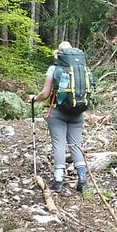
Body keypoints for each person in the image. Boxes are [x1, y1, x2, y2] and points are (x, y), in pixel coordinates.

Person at [32, 41, 89, 193]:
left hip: (57, 112)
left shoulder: (54, 68)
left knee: (59, 144)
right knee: (75, 145)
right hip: (77, 112)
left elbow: (45, 94)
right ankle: (82, 178)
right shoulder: (82, 69)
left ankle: (58, 180)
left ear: (59, 54)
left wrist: (34, 99)